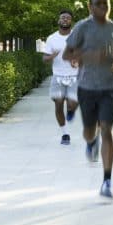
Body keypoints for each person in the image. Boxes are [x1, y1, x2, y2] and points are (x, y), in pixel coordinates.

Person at [63, 0, 113, 200]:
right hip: (87, 87)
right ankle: (91, 142)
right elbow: (67, 54)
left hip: (110, 86)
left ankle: (107, 180)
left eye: (106, 3)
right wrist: (87, 55)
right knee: (90, 131)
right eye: (99, 4)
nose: (103, 7)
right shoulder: (82, 28)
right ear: (90, 7)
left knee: (107, 129)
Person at [41, 10, 80, 146]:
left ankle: (71, 110)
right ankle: (65, 134)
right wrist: (52, 56)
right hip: (58, 77)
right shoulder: (52, 38)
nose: (65, 20)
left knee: (72, 104)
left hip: (74, 76)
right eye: (62, 17)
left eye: (68, 18)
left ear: (71, 21)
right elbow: (44, 58)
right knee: (58, 103)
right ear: (58, 21)